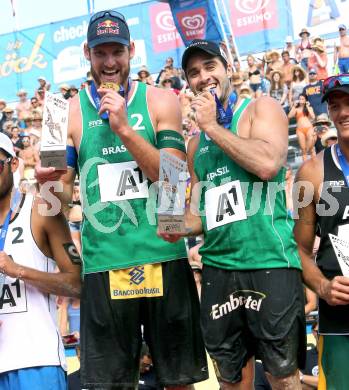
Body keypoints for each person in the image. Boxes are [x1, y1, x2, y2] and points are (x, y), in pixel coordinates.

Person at [36, 9, 208, 389]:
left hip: (163, 258)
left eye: (117, 51)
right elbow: (56, 202)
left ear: (132, 51)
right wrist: (48, 182)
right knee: (109, 384)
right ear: (87, 53)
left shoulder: (162, 99)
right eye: (101, 53)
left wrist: (126, 130)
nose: (110, 62)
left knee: (179, 381)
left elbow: (174, 185)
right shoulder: (57, 113)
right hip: (104, 266)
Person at [163, 38, 306, 389]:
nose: (203, 77)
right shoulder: (195, 145)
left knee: (284, 377)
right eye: (194, 73)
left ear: (228, 69)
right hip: (218, 271)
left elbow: (269, 164)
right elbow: (200, 215)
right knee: (230, 380)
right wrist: (172, 226)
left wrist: (212, 126)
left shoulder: (262, 108)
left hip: (268, 261)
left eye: (210, 67)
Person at [0, 132, 81, 390]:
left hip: (35, 361)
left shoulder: (41, 211)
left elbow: (78, 282)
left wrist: (18, 270)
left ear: (14, 164)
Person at [293, 74, 349, 390]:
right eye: (335, 105)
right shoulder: (311, 172)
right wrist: (324, 288)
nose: (343, 113)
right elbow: (299, 250)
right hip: (339, 319)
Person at [288, 93, 315, 161]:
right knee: (303, 150)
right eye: (299, 99)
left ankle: (314, 165)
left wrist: (308, 107)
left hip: (309, 128)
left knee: (311, 147)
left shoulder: (309, 108)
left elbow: (313, 117)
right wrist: (294, 106)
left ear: (306, 100)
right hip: (300, 130)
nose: (300, 100)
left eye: (302, 99)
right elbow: (289, 116)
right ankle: (306, 167)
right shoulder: (296, 109)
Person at [299, 321, 319, 389]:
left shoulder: (338, 356)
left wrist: (302, 377)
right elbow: (298, 385)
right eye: (318, 332)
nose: (322, 335)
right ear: (313, 332)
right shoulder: (305, 356)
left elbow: (330, 382)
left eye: (325, 333)